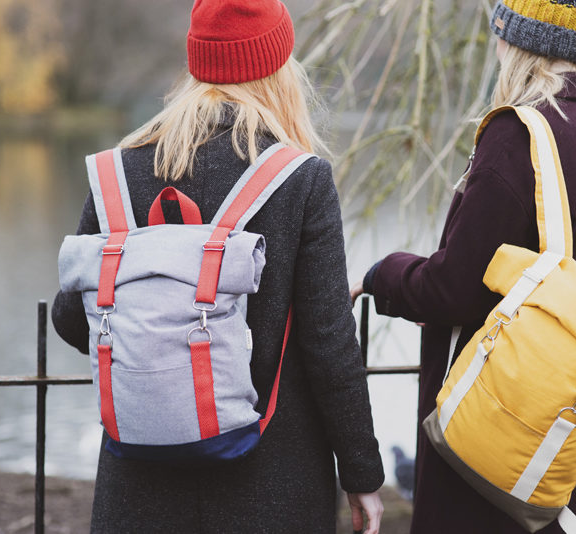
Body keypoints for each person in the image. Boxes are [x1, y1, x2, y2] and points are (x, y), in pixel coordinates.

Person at [52, 0, 385, 532]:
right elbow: (329, 344)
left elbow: (73, 319)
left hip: (141, 484)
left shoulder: (119, 170)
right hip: (272, 483)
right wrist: (362, 473)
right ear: (279, 67)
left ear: (195, 64)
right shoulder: (301, 179)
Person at [351, 1, 576, 533]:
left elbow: (454, 289)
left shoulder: (522, 136)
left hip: (502, 439)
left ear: (521, 42)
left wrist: (380, 276)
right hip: (571, 437)